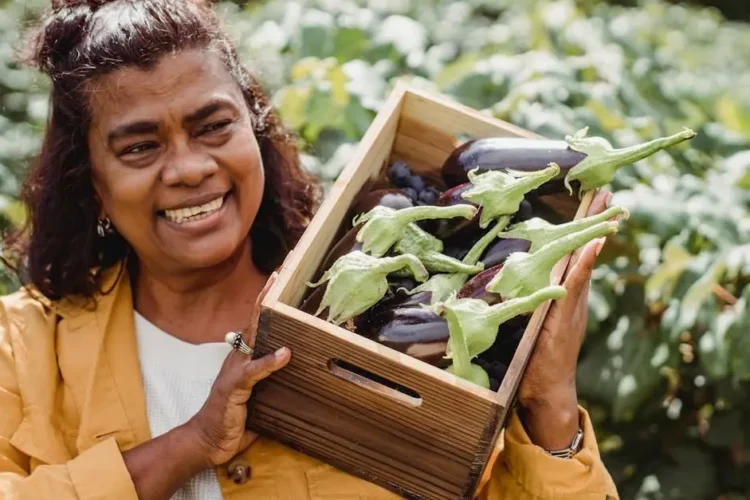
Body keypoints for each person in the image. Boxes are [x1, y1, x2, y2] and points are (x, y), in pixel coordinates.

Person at [0, 0, 619, 498]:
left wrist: (550, 406)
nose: (188, 168)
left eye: (214, 126)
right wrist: (190, 443)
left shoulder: (392, 314)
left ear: (256, 130)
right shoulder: (21, 349)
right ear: (94, 184)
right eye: (139, 146)